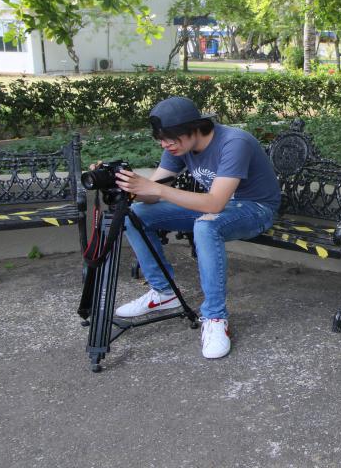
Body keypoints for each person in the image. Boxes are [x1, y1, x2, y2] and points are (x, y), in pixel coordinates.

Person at [108, 96, 281, 359]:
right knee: (136, 214)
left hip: (256, 209)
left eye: (170, 138)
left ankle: (214, 317)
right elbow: (152, 195)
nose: (165, 144)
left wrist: (155, 188)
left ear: (194, 128)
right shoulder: (178, 146)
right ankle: (165, 292)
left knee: (206, 226)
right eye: (160, 139)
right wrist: (127, 185)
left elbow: (213, 203)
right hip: (217, 208)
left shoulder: (235, 143)